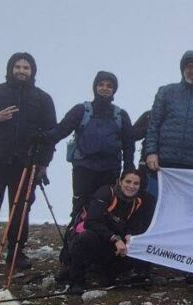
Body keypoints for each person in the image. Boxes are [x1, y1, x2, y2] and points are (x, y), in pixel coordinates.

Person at [0, 52, 57, 270]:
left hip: (26, 163)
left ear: (32, 71)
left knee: (21, 209)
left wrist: (43, 163)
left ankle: (16, 254)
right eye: (17, 66)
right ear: (10, 69)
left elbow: (51, 134)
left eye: (26, 67)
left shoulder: (43, 98)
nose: (21, 70)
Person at [45, 71, 134, 217]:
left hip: (110, 169)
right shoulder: (81, 110)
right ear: (95, 87)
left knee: (106, 205)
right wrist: (42, 138)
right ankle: (76, 236)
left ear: (114, 90)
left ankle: (102, 238)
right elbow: (62, 130)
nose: (105, 88)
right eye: (101, 85)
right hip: (84, 167)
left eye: (109, 86)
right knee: (81, 205)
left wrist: (129, 167)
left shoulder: (120, 115)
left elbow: (129, 143)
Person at [142, 50, 193, 197]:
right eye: (189, 67)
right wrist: (151, 152)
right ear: (182, 69)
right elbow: (154, 125)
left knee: (189, 211)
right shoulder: (166, 92)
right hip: (162, 164)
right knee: (154, 206)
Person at [64, 168, 154, 294]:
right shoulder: (106, 193)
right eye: (128, 182)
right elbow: (91, 222)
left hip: (113, 247)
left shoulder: (137, 202)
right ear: (120, 181)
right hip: (96, 239)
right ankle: (77, 281)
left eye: (135, 184)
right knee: (86, 238)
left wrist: (130, 235)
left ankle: (129, 275)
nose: (131, 186)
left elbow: (134, 225)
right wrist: (115, 238)